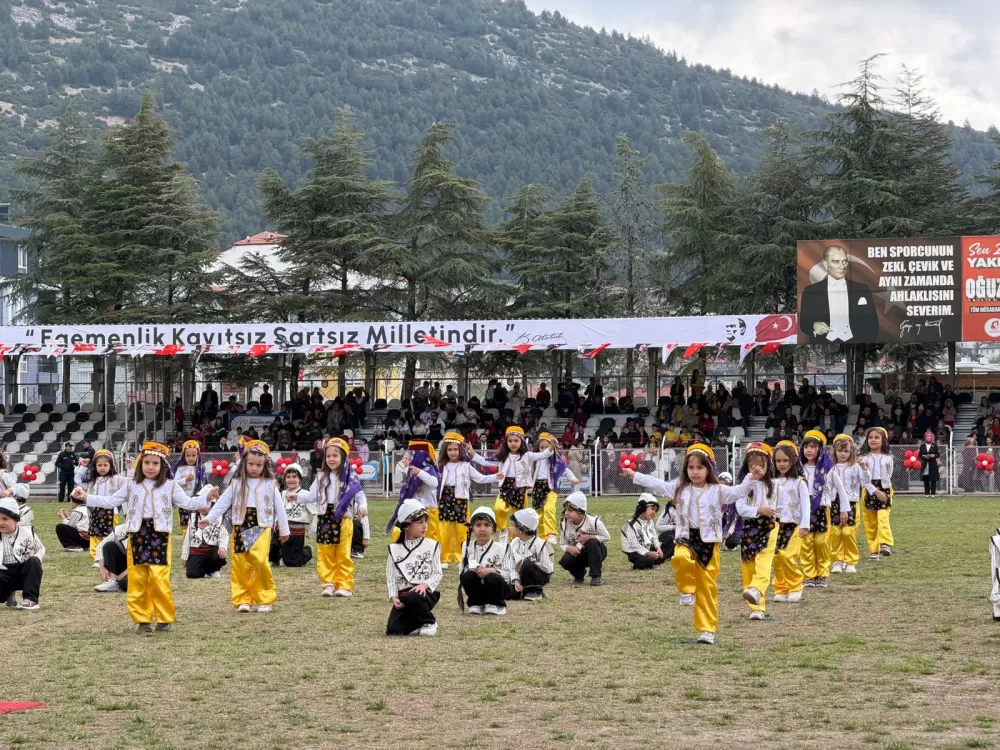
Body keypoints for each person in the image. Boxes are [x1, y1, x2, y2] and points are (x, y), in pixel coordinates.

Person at [626, 444, 761, 645]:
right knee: (680, 557)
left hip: (709, 543)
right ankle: (686, 589)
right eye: (691, 468)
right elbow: (656, 483)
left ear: (709, 469)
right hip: (686, 538)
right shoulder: (679, 488)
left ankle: (707, 630)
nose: (695, 472)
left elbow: (738, 492)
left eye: (700, 467)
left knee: (707, 588)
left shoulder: (718, 490)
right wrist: (635, 476)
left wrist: (752, 478)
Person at [72, 441, 208, 632]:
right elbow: (111, 500)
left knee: (159, 578)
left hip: (159, 535)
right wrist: (86, 497)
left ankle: (163, 619)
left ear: (162, 466)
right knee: (138, 578)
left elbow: (188, 502)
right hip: (137, 535)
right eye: (146, 463)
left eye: (155, 463)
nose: (150, 467)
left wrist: (206, 499)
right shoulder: (130, 485)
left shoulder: (171, 486)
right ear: (140, 465)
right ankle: (142, 619)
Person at [202, 440, 289, 613]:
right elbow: (222, 503)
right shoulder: (236, 484)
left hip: (262, 526)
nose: (254, 468)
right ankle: (243, 599)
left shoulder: (270, 484)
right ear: (244, 463)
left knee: (260, 561)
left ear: (264, 465)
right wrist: (209, 518)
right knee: (240, 563)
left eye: (258, 465)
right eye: (251, 464)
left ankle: (265, 598)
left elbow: (279, 507)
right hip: (240, 525)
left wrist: (284, 529)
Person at [288, 437, 367, 597]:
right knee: (325, 552)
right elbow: (311, 495)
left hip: (344, 518)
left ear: (343, 457)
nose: (331, 459)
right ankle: (328, 583)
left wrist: (363, 506)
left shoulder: (350, 477)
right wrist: (297, 497)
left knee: (343, 553)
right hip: (325, 518)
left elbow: (359, 494)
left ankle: (344, 585)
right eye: (328, 456)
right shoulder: (321, 476)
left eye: (335, 456)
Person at [436, 432, 496, 568]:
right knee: (443, 529)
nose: (452, 452)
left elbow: (481, 479)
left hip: (461, 500)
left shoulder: (466, 465)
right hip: (444, 499)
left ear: (460, 450)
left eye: (455, 449)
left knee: (462, 530)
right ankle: (444, 558)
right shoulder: (440, 465)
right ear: (445, 450)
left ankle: (461, 557)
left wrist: (496, 477)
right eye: (449, 449)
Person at [475, 426, 551, 533]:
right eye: (510, 441)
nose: (513, 443)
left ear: (521, 441)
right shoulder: (502, 456)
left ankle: (516, 536)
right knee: (499, 508)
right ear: (506, 442)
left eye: (516, 440)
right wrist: (472, 454)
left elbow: (543, 454)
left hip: (520, 488)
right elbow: (485, 461)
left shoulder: (527, 455)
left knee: (519, 516)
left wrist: (552, 446)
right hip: (506, 487)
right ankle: (503, 530)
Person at [735, 442, 780, 621]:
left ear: (768, 465)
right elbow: (740, 508)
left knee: (764, 560)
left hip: (769, 526)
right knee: (748, 565)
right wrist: (758, 510)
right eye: (752, 464)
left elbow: (782, 507)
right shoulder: (744, 486)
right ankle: (756, 608)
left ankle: (757, 588)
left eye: (761, 464)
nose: (756, 468)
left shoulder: (776, 485)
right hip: (749, 527)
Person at [798, 244, 879, 343]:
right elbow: (804, 322)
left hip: (856, 343)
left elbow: (872, 323)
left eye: (844, 261)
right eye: (836, 262)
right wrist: (813, 326)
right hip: (823, 343)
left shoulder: (862, 289)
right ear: (825, 264)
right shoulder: (811, 291)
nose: (842, 266)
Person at [385, 499, 442, 636]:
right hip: (404, 596)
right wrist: (394, 597)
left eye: (425, 522)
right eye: (419, 522)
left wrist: (424, 585)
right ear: (406, 526)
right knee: (393, 630)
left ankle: (429, 621)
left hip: (423, 594)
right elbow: (391, 576)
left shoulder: (432, 545)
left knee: (414, 597)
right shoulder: (395, 549)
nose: (424, 526)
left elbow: (437, 573)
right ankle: (418, 621)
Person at [770, 441, 810, 604]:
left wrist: (805, 524)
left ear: (792, 461)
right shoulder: (772, 482)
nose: (781, 464)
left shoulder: (800, 481)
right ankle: (781, 588)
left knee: (787, 556)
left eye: (785, 460)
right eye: (778, 461)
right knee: (777, 557)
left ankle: (796, 586)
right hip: (776, 525)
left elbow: (806, 504)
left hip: (795, 525)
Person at [458, 506, 509, 616]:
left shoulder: (503, 548)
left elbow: (509, 573)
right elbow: (461, 570)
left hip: (496, 585)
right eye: (478, 525)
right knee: (467, 576)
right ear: (472, 528)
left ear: (494, 529)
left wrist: (492, 570)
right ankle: (476, 603)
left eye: (487, 525)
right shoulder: (466, 547)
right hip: (477, 586)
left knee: (492, 577)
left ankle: (496, 604)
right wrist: (474, 569)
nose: (482, 529)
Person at [75, 449, 125, 560]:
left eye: (105, 465)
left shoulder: (116, 479)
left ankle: (108, 555)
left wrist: (130, 470)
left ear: (111, 466)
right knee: (94, 534)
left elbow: (130, 482)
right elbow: (77, 479)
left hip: (111, 512)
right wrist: (83, 467)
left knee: (110, 534)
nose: (102, 468)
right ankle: (96, 557)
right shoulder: (91, 480)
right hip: (94, 511)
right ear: (95, 466)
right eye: (99, 465)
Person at [530, 431, 579, 542]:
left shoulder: (556, 459)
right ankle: (543, 536)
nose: (544, 449)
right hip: (537, 488)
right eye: (541, 447)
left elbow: (565, 470)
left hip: (551, 488)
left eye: (547, 447)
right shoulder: (533, 458)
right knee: (539, 513)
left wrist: (572, 478)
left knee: (549, 509)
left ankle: (551, 533)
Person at [388, 439, 440, 545]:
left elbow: (434, 483)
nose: (410, 457)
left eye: (412, 454)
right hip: (415, 510)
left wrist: (419, 472)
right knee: (415, 537)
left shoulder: (429, 468)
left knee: (430, 538)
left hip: (429, 510)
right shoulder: (412, 469)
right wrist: (408, 467)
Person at [799, 431, 833, 589]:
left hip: (821, 507)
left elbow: (839, 487)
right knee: (806, 543)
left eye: (813, 446)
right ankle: (809, 576)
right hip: (803, 508)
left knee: (821, 542)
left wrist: (844, 508)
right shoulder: (798, 469)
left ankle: (823, 574)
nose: (809, 450)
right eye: (806, 446)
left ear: (820, 449)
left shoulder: (828, 469)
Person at [557, 491, 610, 586]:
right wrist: (570, 548)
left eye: (570, 510)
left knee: (592, 543)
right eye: (566, 510)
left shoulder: (594, 522)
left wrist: (591, 537)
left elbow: (606, 537)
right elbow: (562, 544)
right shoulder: (564, 524)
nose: (566, 513)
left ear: (581, 513)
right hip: (579, 553)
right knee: (565, 560)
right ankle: (579, 575)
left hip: (597, 552)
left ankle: (596, 577)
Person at [0, 498, 44, 611]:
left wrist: (36, 561)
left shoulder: (28, 533)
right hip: (3, 573)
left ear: (16, 520)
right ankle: (8, 594)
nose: (1, 522)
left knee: (33, 561)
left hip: (22, 571)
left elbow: (41, 549)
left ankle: (31, 599)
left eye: (5, 519)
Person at [859, 427, 895, 560]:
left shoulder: (888, 458)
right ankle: (874, 551)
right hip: (868, 490)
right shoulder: (863, 458)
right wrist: (874, 490)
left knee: (882, 517)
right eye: (870, 437)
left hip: (885, 489)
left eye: (876, 437)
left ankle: (885, 543)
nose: (873, 440)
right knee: (871, 522)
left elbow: (889, 474)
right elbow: (863, 479)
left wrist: (883, 489)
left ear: (883, 440)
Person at [829, 434, 862, 575]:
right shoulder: (831, 467)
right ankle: (837, 560)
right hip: (834, 503)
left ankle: (850, 561)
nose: (843, 454)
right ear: (835, 451)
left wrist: (864, 468)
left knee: (848, 533)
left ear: (851, 452)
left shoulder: (855, 467)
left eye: (846, 451)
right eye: (840, 450)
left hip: (852, 503)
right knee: (836, 533)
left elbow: (866, 481)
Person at [503, 508, 552, 602]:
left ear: (521, 529)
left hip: (538, 577)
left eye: (513, 525)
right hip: (520, 576)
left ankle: (535, 591)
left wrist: (529, 561)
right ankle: (522, 589)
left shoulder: (539, 544)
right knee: (507, 594)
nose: (510, 527)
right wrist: (516, 580)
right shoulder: (514, 543)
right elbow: (511, 564)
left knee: (527, 564)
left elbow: (548, 569)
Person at [270, 464, 314, 568]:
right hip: (282, 530)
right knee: (269, 552)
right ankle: (279, 556)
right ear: (284, 480)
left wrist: (313, 525)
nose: (291, 479)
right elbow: (278, 511)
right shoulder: (282, 493)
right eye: (288, 477)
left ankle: (307, 551)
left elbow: (314, 511)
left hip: (297, 532)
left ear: (300, 479)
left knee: (293, 563)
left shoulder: (305, 494)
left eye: (294, 477)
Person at [182, 495, 229, 580]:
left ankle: (212, 570)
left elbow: (224, 535)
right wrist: (185, 556)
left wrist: (222, 547)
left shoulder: (219, 516)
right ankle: (206, 571)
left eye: (204, 505)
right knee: (191, 574)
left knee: (218, 555)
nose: (201, 508)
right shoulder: (192, 516)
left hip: (211, 551)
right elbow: (188, 537)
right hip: (196, 552)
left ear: (211, 504)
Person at [620, 494, 666, 570]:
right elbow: (634, 545)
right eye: (652, 509)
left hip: (647, 549)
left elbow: (654, 536)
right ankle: (636, 564)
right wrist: (648, 553)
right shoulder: (631, 524)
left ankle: (650, 562)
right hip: (635, 552)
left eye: (655, 510)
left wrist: (658, 548)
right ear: (643, 508)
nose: (654, 512)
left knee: (661, 556)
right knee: (648, 561)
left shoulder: (650, 522)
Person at [173, 440, 206, 531]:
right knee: (185, 522)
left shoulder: (200, 469)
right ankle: (185, 537)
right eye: (188, 456)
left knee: (196, 521)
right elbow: (174, 483)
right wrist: (185, 480)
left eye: (193, 455)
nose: (191, 458)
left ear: (198, 456)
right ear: (184, 456)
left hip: (197, 500)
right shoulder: (180, 469)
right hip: (184, 500)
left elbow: (204, 484)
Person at [93, 522, 129, 593]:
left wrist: (127, 571)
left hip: (138, 568)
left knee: (124, 583)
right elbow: (100, 546)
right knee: (109, 545)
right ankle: (112, 580)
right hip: (124, 563)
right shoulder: (119, 530)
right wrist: (102, 567)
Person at [918, 430, 940, 497]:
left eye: (929, 436)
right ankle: (927, 493)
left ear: (931, 437)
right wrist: (924, 456)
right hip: (925, 464)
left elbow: (938, 454)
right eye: (927, 436)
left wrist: (933, 455)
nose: (928, 437)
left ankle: (933, 494)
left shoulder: (934, 445)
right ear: (925, 437)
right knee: (926, 479)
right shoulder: (922, 446)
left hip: (932, 464)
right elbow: (919, 455)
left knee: (933, 479)